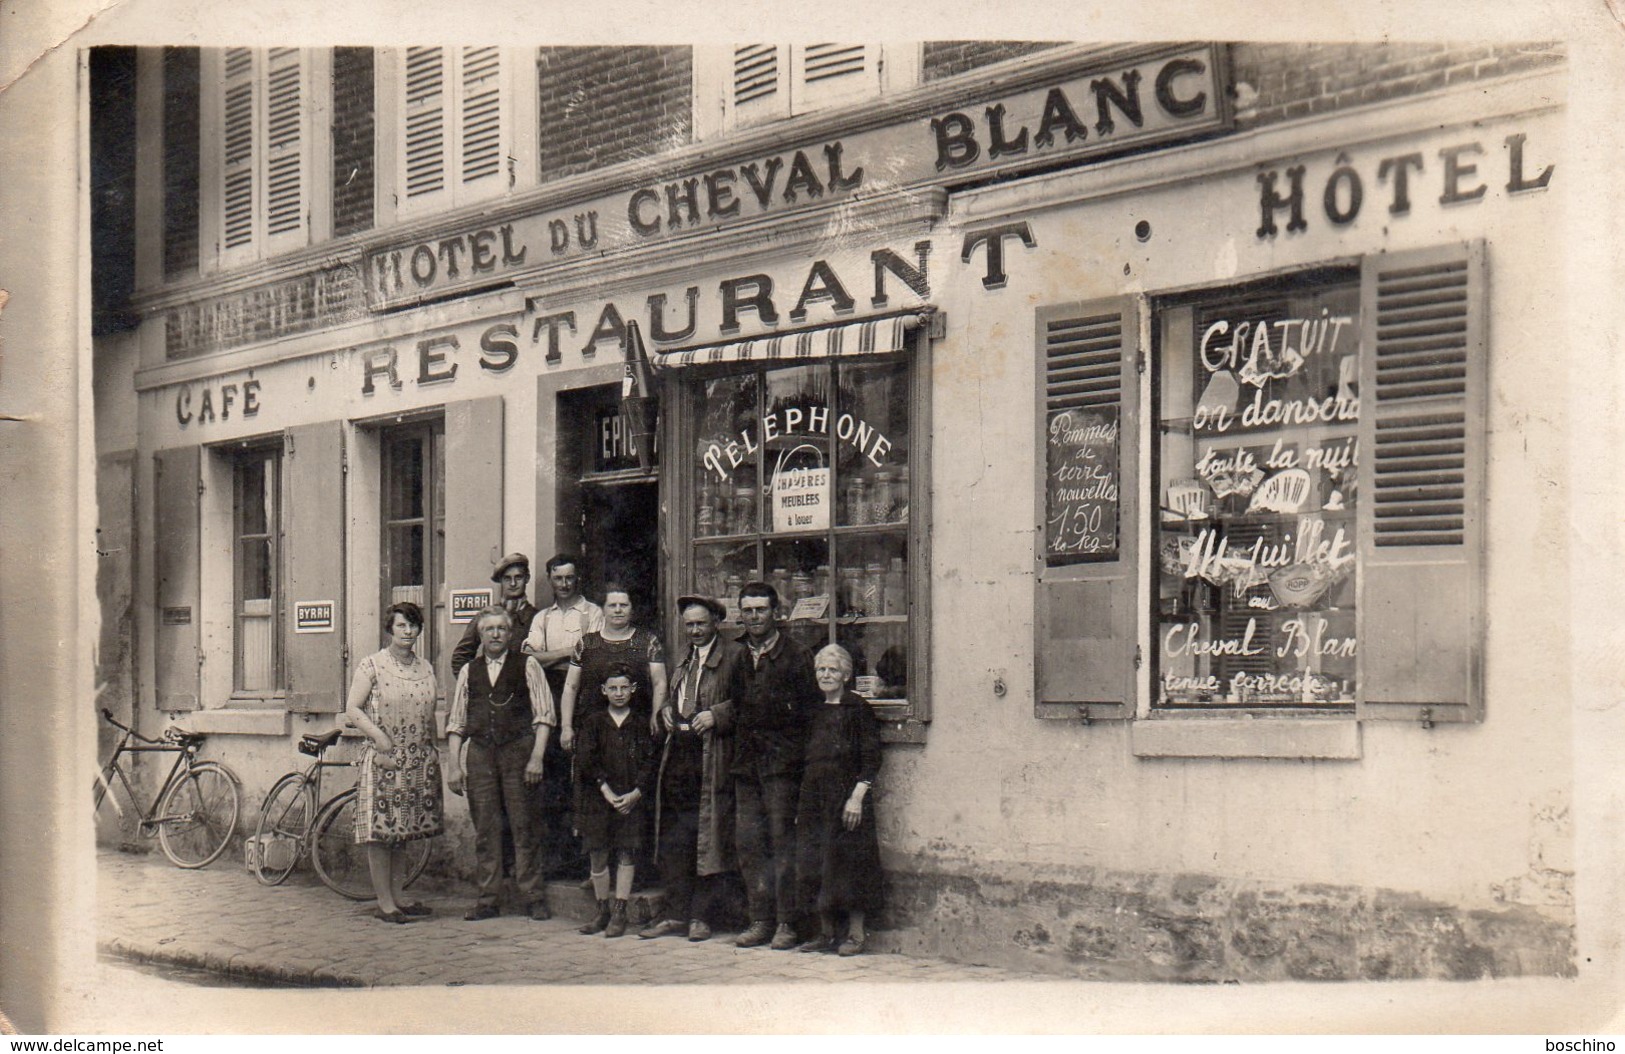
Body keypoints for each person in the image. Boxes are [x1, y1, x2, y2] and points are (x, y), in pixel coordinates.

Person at [639, 595, 743, 943]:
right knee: (674, 837)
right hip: (678, 753)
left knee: (706, 837)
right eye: (689, 625)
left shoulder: (734, 657)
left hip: (711, 755)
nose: (694, 631)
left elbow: (747, 703)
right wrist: (667, 709)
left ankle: (701, 916)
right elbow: (677, 694)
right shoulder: (683, 657)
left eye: (700, 624)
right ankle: (674, 914)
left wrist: (718, 715)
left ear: (716, 622)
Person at [444, 607, 556, 922]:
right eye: (489, 629)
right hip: (480, 754)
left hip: (519, 751)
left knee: (525, 824)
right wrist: (454, 765)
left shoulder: (528, 665)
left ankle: (533, 896)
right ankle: (488, 899)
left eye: (501, 629)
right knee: (486, 828)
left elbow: (544, 716)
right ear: (480, 635)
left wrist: (536, 756)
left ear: (510, 634)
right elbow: (456, 723)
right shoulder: (470, 670)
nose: (495, 634)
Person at [727, 581, 820, 950]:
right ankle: (760, 919)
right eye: (747, 611)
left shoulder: (797, 656)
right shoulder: (739, 657)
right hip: (747, 765)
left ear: (775, 613)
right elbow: (736, 707)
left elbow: (810, 713)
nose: (754, 617)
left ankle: (787, 923)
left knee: (784, 844)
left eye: (760, 610)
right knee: (750, 844)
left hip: (783, 765)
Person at [343, 602, 443, 923]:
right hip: (384, 758)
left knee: (403, 831)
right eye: (401, 626)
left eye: (412, 626)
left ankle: (399, 897)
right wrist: (379, 737)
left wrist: (433, 750)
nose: (407, 632)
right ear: (390, 628)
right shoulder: (372, 665)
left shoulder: (425, 668)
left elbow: (429, 714)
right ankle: (385, 902)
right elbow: (353, 710)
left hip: (416, 758)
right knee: (381, 831)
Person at [792, 644, 883, 956]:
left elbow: (871, 758)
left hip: (846, 799)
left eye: (832, 670)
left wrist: (856, 798)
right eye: (821, 669)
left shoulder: (858, 708)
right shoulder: (813, 708)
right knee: (814, 861)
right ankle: (825, 932)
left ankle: (855, 935)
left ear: (846, 674)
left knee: (851, 864)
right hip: (813, 796)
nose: (825, 675)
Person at [522, 554, 603, 877]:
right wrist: (571, 652)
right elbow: (530, 660)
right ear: (550, 580)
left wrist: (552, 657)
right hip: (550, 695)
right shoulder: (543, 618)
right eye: (558, 578)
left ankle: (587, 861)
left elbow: (594, 656)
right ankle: (559, 860)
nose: (564, 584)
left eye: (570, 577)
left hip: (586, 695)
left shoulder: (593, 612)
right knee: (553, 776)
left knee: (584, 774)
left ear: (577, 578)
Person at [574, 664, 658, 938]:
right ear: (603, 690)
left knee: (626, 850)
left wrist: (636, 793)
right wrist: (606, 791)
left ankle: (620, 910)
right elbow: (587, 760)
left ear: (633, 689)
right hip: (600, 798)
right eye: (613, 688)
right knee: (598, 852)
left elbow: (649, 763)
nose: (619, 693)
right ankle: (603, 910)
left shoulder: (642, 723)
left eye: (624, 687)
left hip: (630, 797)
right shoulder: (594, 722)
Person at [451, 553, 540, 677]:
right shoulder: (487, 615)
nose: (513, 583)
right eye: (507, 578)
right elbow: (460, 656)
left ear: (527, 578)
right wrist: (473, 687)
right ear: (501, 581)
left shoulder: (537, 617)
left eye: (518, 577)